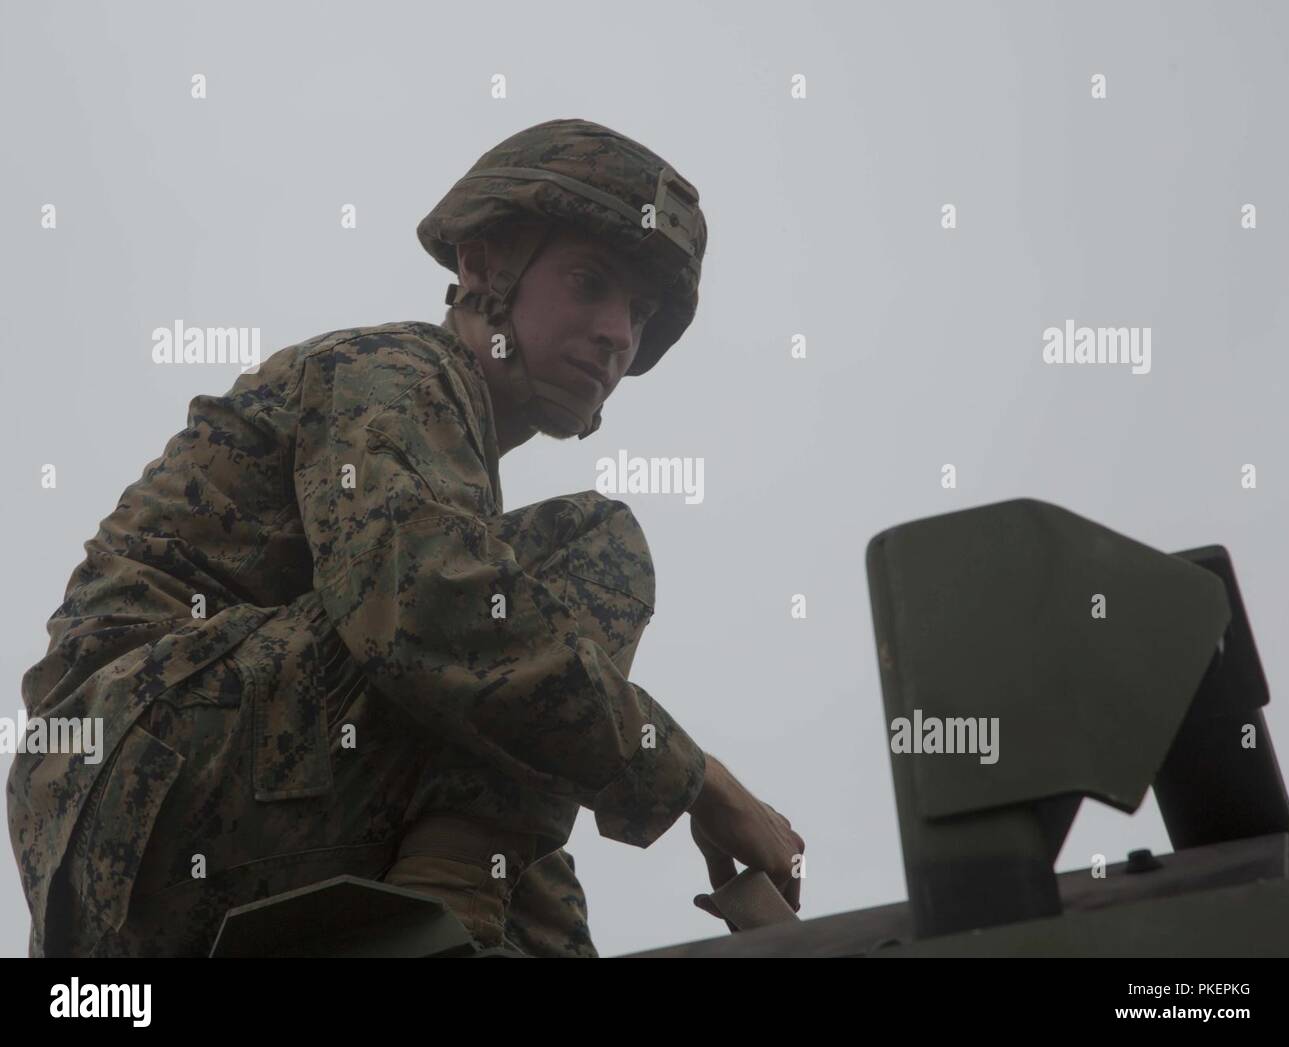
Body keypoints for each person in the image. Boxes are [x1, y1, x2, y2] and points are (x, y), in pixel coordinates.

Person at [8, 117, 804, 958]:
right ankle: (442, 923)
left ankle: (450, 927)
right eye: (589, 282)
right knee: (586, 556)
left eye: (639, 313)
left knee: (520, 767)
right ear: (483, 266)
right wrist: (699, 780)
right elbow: (423, 609)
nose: (617, 333)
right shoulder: (397, 372)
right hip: (144, 778)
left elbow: (503, 773)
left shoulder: (447, 466)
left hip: (141, 842)